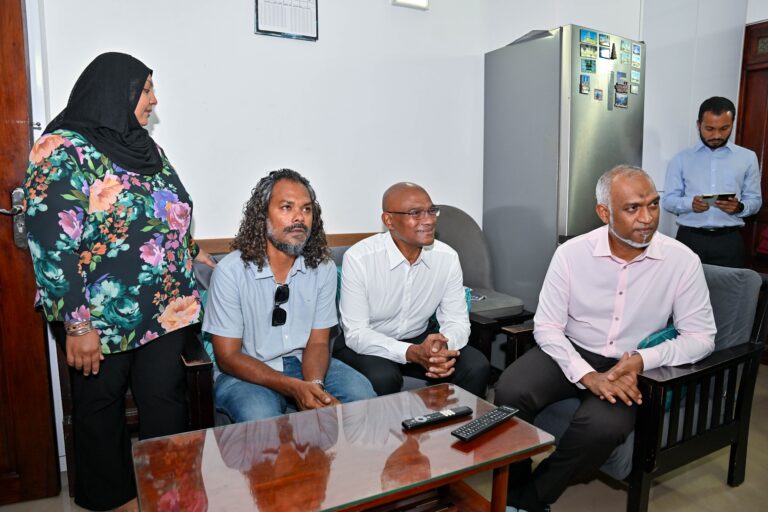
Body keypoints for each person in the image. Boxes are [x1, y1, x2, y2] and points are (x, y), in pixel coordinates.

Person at [23, 52, 215, 511]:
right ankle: (113, 501)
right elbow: (51, 244)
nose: (154, 99)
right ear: (116, 91)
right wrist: (77, 325)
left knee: (165, 400)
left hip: (166, 307)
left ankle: (168, 494)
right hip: (96, 315)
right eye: (146, 89)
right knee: (101, 407)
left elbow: (165, 214)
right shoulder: (62, 150)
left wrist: (190, 251)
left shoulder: (149, 150)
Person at [494, 165, 716, 512]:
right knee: (511, 389)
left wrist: (643, 360)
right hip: (570, 350)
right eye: (633, 208)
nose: (647, 218)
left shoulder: (681, 260)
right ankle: (514, 483)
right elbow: (547, 325)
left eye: (653, 204)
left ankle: (531, 498)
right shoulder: (572, 253)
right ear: (604, 212)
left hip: (629, 365)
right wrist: (586, 375)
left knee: (600, 427)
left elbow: (701, 337)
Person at [203, 169, 375, 422]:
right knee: (259, 416)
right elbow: (228, 357)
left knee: (363, 397)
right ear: (263, 216)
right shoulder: (231, 272)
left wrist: (314, 386)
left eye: (306, 209)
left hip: (304, 361)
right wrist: (293, 387)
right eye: (286, 207)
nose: (299, 217)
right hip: (245, 371)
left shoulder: (323, 267)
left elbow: (318, 343)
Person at [335, 182, 490, 397]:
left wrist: (440, 348)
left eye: (431, 211)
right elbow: (357, 333)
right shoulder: (360, 258)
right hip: (370, 343)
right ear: (388, 220)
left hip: (420, 337)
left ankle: (452, 419)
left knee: (476, 366)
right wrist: (410, 353)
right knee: (383, 377)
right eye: (415, 213)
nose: (429, 220)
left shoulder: (447, 257)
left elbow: (456, 321)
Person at [662, 96, 761, 267]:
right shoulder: (681, 159)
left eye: (724, 128)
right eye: (709, 129)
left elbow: (755, 200)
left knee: (729, 285)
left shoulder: (748, 158)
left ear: (732, 124)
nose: (717, 135)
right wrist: (690, 204)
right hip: (689, 240)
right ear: (698, 125)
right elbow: (668, 200)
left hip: (729, 242)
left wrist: (739, 207)